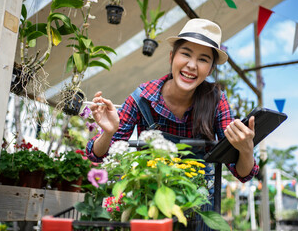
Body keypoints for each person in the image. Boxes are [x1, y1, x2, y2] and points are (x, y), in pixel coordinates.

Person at [86, 18, 259, 230]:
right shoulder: (142, 98)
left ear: (210, 69)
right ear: (172, 57)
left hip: (198, 207)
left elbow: (241, 172)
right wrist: (108, 132)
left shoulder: (216, 101)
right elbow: (98, 155)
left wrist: (246, 150)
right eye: (186, 54)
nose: (192, 65)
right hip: (151, 202)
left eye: (203, 59)